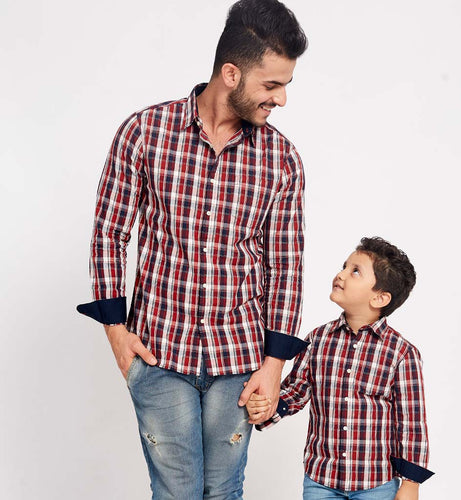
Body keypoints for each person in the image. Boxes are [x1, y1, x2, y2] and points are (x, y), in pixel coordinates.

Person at [76, 0, 308, 498]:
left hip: (239, 359)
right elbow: (109, 233)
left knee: (223, 493)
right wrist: (118, 335)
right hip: (159, 352)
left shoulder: (283, 160)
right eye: (272, 85)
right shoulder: (143, 133)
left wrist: (273, 366)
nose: (282, 99)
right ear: (231, 74)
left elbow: (286, 266)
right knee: (176, 493)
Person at [247, 237, 434, 500]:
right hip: (321, 480)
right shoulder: (318, 339)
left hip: (375, 483)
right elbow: (297, 391)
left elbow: (411, 423)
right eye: (344, 266)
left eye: (355, 271)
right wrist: (267, 408)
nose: (341, 274)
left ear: (380, 297)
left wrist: (411, 483)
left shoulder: (402, 354)